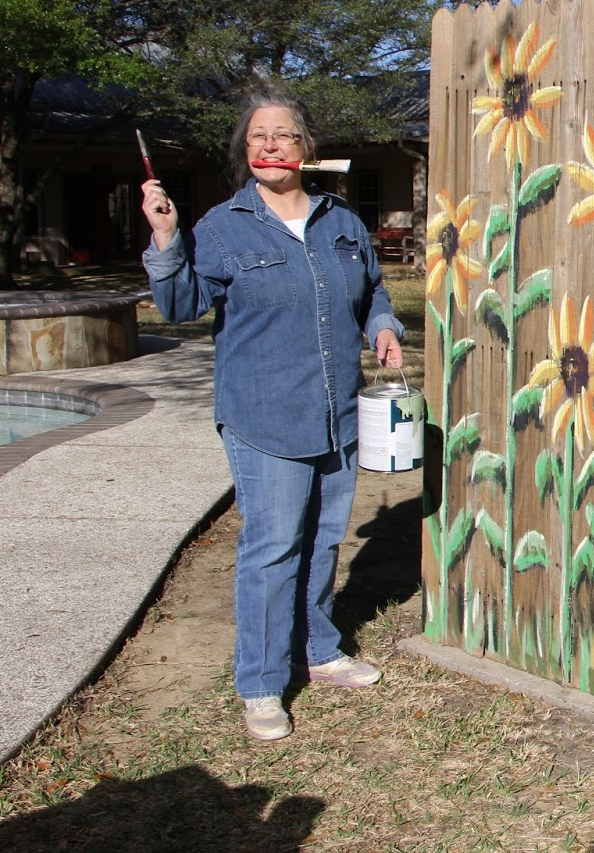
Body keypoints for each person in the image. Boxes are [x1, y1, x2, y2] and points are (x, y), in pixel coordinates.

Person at [140, 88, 404, 741]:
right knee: (273, 549)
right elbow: (179, 307)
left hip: (337, 414)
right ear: (245, 152)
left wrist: (384, 325)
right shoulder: (221, 226)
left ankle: (317, 649)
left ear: (305, 148)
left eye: (283, 134)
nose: (269, 145)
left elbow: (371, 289)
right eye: (257, 136)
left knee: (321, 541)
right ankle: (260, 683)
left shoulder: (340, 220)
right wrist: (166, 236)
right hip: (264, 416)